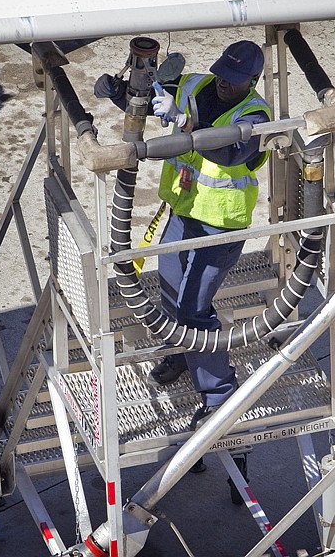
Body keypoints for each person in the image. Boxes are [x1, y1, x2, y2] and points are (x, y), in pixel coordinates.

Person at [94, 40, 271, 430]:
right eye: (222, 73)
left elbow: (229, 153)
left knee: (193, 309)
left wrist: (186, 122)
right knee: (171, 293)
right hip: (181, 210)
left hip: (219, 226)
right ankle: (183, 351)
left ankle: (219, 395)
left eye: (235, 79)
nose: (224, 83)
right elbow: (149, 101)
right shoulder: (194, 85)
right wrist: (120, 91)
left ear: (252, 81)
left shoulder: (257, 115)